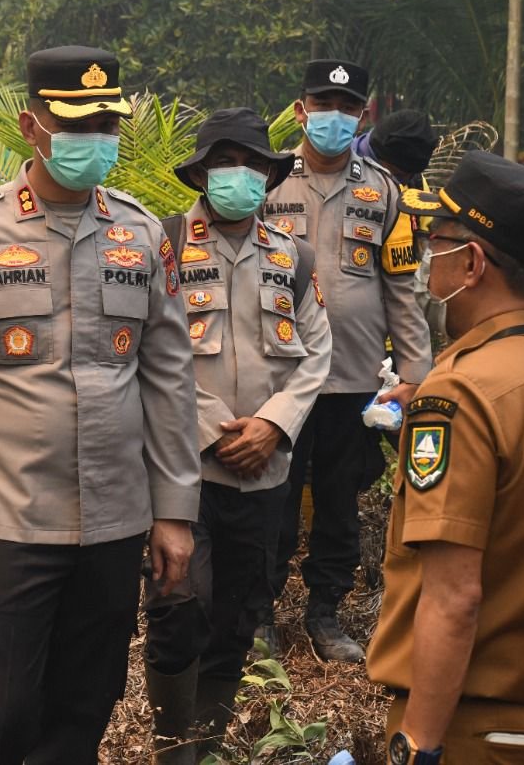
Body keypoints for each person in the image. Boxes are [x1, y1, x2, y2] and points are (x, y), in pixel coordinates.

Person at [0, 46, 199, 764]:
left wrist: (174, 512)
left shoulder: (140, 233)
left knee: (82, 714)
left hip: (115, 522)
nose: (93, 140)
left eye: (106, 125)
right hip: (11, 521)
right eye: (75, 125)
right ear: (31, 126)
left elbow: (168, 376)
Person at [367, 149, 524, 765]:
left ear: (472, 263)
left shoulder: (459, 394)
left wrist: (417, 745)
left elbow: (454, 598)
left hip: (471, 730)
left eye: (436, 242)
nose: (427, 260)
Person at [143, 108, 334, 763]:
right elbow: (147, 348)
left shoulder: (294, 257)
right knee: (178, 607)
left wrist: (273, 424)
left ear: (271, 177)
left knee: (237, 617)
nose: (240, 175)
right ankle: (173, 750)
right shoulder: (162, 244)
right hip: (184, 470)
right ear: (200, 173)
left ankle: (206, 748)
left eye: (253, 164)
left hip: (264, 472)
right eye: (225, 163)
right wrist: (213, 430)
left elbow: (317, 351)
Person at [254, 58, 434, 662]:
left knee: (338, 502)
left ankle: (325, 614)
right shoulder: (267, 180)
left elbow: (402, 290)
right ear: (301, 110)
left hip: (354, 376)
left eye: (348, 108)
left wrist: (415, 375)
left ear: (362, 116)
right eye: (323, 105)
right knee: (274, 498)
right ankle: (260, 614)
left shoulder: (384, 192)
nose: (334, 116)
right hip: (280, 373)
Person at [355, 108, 439, 187]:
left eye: (411, 175)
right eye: (398, 175)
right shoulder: (349, 165)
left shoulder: (416, 184)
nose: (403, 183)